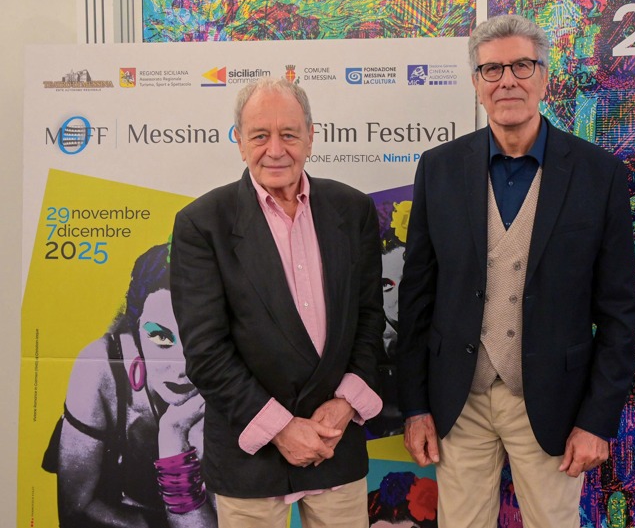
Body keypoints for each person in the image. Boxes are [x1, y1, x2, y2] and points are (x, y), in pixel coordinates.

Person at [395, 14, 635, 528]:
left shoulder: (599, 175)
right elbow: (416, 298)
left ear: (545, 77)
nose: (507, 80)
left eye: (522, 66)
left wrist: (597, 420)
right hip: (459, 400)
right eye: (492, 69)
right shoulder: (438, 168)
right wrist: (415, 406)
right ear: (476, 83)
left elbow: (619, 311)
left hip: (554, 403)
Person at [169, 77, 384, 528]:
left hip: (334, 441)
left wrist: (346, 403)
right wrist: (282, 429)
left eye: (288, 134)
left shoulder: (353, 210)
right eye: (259, 136)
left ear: (310, 136)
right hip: (250, 456)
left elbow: (368, 319)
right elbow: (206, 353)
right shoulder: (202, 224)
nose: (275, 150)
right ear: (239, 141)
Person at [43, 243, 217, 528]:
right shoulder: (100, 367)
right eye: (161, 338)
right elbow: (75, 508)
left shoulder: (234, 376)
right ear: (136, 332)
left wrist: (174, 435)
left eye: (199, 340)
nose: (182, 367)